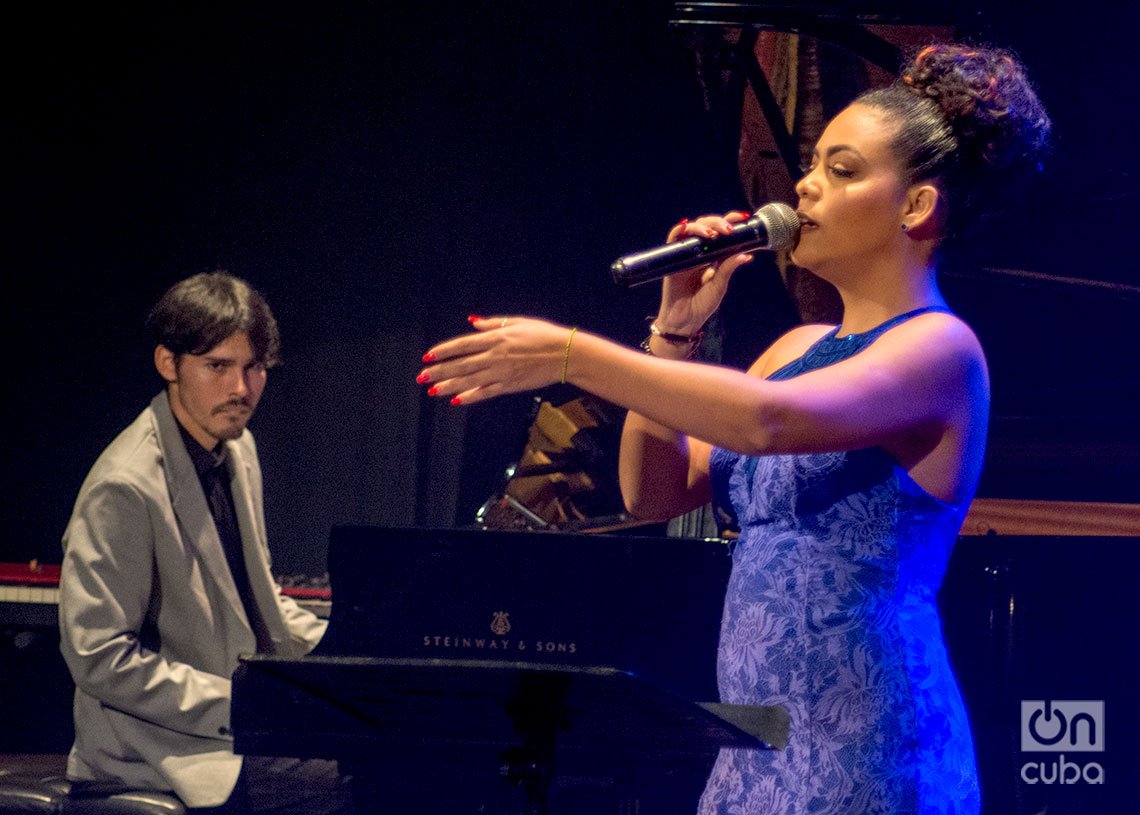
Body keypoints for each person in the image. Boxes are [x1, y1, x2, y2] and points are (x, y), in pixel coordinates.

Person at [417, 43, 1051, 813]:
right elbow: (654, 493)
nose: (806, 185)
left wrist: (574, 356)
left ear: (916, 206)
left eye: (842, 171)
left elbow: (767, 421)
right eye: (813, 164)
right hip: (754, 744)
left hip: (871, 744)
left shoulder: (941, 350)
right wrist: (673, 330)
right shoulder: (794, 348)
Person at [59, 272, 354, 814]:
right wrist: (245, 701)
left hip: (234, 730)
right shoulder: (124, 486)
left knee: (403, 755)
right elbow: (99, 658)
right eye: (217, 366)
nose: (240, 388)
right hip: (157, 748)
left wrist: (358, 656)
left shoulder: (237, 449)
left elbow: (260, 604)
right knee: (355, 777)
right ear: (168, 364)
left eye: (254, 368)